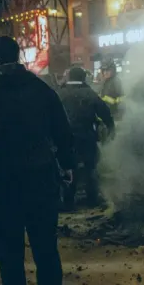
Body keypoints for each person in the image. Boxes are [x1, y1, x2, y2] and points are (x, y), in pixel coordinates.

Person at [0, 35, 75, 285]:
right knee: (46, 248)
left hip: (1, 185)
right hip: (41, 181)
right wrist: (67, 167)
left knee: (9, 255)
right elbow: (63, 133)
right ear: (18, 55)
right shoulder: (41, 89)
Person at [56, 65, 115, 209]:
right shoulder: (90, 93)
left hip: (65, 139)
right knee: (90, 168)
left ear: (69, 77)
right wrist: (111, 127)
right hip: (87, 137)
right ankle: (92, 200)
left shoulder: (59, 94)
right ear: (83, 78)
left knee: (68, 168)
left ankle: (68, 202)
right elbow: (105, 113)